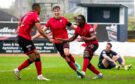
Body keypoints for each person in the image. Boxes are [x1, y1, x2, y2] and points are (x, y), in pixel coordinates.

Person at [32, 5, 83, 77]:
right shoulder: (50, 21)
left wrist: (82, 31)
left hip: (65, 40)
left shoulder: (64, 19)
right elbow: (42, 31)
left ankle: (75, 63)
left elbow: (74, 27)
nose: (56, 12)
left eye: (58, 11)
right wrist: (33, 37)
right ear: (53, 12)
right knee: (67, 59)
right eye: (55, 11)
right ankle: (77, 72)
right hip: (56, 43)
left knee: (67, 53)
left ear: (60, 11)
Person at [58, 15, 103, 79]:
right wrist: (64, 40)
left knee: (86, 52)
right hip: (88, 45)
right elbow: (73, 38)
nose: (77, 21)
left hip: (94, 44)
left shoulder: (89, 27)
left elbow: (94, 37)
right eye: (77, 20)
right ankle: (99, 74)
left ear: (83, 21)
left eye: (79, 20)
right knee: (87, 63)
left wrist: (85, 38)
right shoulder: (78, 29)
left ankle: (83, 72)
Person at [13, 3, 51, 81]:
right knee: (34, 58)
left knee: (37, 55)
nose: (40, 10)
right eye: (40, 9)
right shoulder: (35, 15)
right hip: (24, 39)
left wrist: (20, 29)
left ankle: (40, 76)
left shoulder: (26, 14)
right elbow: (40, 30)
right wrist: (48, 38)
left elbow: (19, 23)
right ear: (38, 9)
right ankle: (17, 69)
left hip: (24, 38)